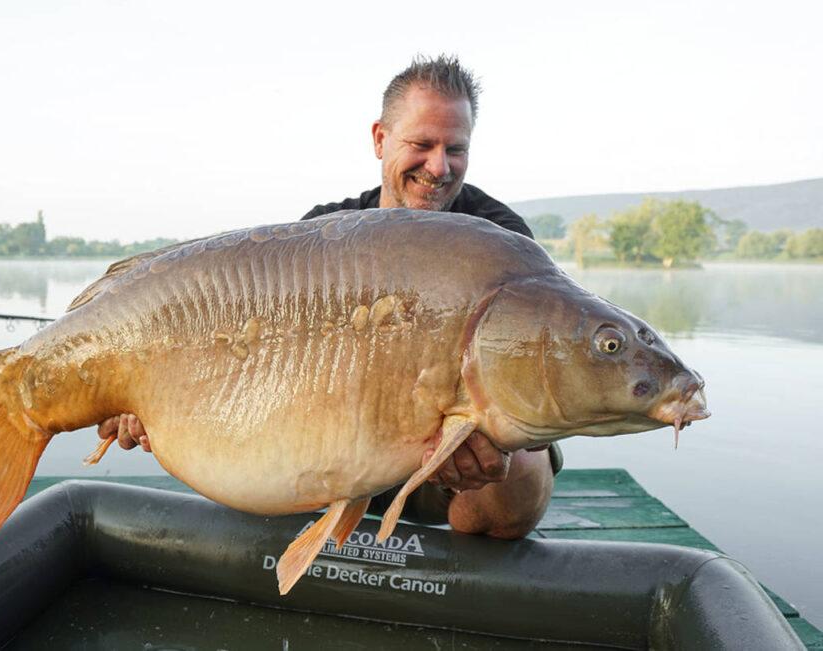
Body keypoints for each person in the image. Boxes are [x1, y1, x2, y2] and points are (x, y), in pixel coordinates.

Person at [98, 55, 559, 539]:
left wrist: (489, 441)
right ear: (381, 139)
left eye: (455, 148)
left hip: (442, 452)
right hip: (328, 441)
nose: (439, 166)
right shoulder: (324, 232)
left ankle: (463, 565)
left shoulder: (500, 240)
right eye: (422, 144)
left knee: (522, 461)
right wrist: (153, 399)